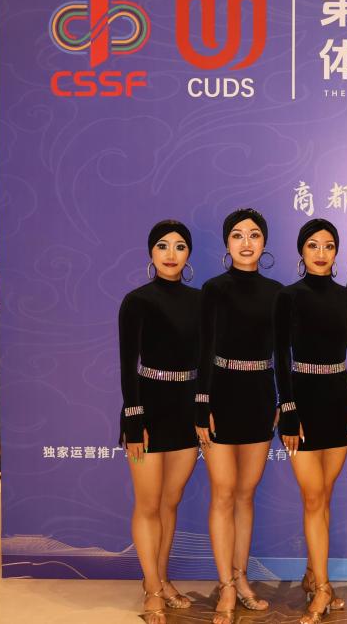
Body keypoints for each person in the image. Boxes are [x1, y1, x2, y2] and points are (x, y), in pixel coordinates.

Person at [275, 219, 347, 624]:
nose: (321, 252)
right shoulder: (288, 297)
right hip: (302, 403)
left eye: (328, 245)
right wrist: (287, 407)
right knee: (313, 497)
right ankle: (325, 588)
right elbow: (280, 356)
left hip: (338, 400)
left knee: (324, 497)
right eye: (312, 245)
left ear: (336, 251)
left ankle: (313, 574)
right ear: (301, 250)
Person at [195, 208, 282, 623]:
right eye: (237, 235)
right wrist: (202, 402)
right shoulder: (213, 289)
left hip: (260, 397)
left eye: (254, 235)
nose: (246, 243)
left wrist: (283, 400)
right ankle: (226, 586)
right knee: (223, 492)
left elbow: (283, 353)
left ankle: (242, 578)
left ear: (264, 243)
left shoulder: (278, 293)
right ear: (227, 243)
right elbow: (203, 348)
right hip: (221, 397)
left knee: (246, 494)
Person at [117, 220, 201, 624]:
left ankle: (163, 578)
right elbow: (127, 364)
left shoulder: (200, 301)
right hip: (147, 411)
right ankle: (151, 588)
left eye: (180, 246)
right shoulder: (137, 301)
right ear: (151, 253)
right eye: (163, 246)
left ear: (188, 255)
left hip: (185, 411)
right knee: (148, 504)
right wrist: (134, 418)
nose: (171, 254)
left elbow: (205, 362)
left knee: (171, 501)